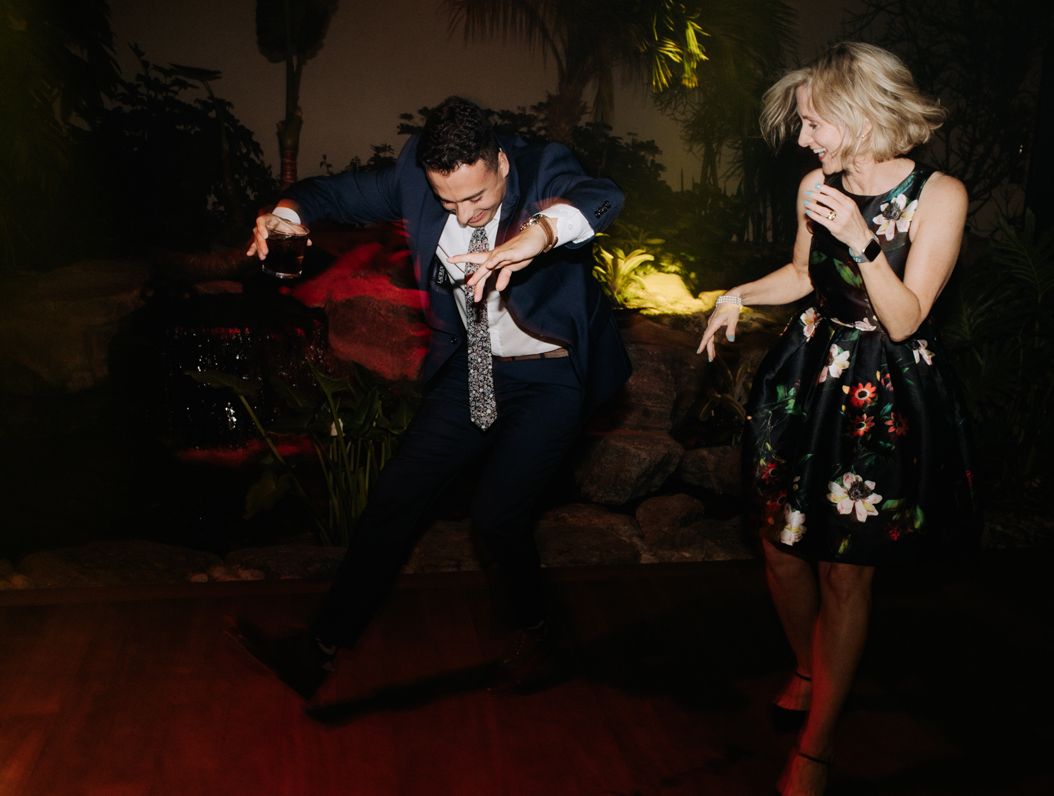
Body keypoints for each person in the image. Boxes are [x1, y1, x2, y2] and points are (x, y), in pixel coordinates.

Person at [234, 95, 630, 700]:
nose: (465, 215)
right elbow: (326, 194)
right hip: (474, 368)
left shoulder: (542, 166)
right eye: (449, 202)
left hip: (550, 376)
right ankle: (319, 652)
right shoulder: (414, 176)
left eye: (477, 198)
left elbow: (602, 198)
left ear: (500, 162)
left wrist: (540, 234)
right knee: (395, 495)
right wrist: (286, 215)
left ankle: (538, 633)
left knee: (497, 517)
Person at [697, 43, 978, 796]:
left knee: (845, 571)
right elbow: (801, 273)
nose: (803, 139)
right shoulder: (815, 184)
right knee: (781, 549)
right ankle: (806, 665)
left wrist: (863, 241)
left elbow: (906, 319)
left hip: (883, 391)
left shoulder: (940, 195)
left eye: (813, 122)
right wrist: (735, 295)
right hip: (808, 379)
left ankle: (817, 746)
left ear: (861, 115)